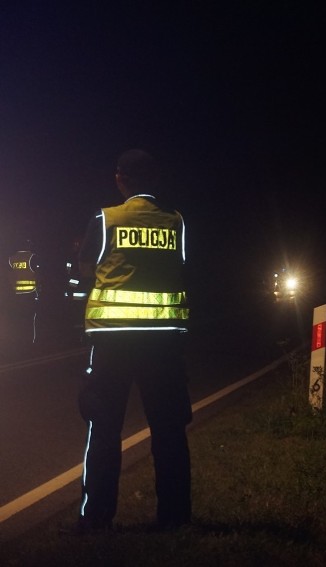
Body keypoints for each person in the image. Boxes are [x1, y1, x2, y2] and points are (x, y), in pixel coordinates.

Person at [73, 149, 192, 532]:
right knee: (169, 429)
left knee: (104, 428)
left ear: (120, 179)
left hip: (113, 341)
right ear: (155, 180)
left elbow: (86, 269)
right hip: (163, 343)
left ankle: (96, 519)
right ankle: (174, 518)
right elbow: (183, 270)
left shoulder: (106, 219)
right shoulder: (176, 222)